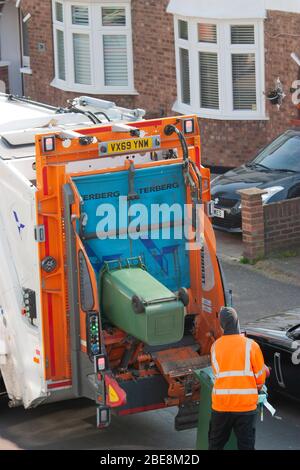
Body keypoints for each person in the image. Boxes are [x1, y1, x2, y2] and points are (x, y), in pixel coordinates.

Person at [208, 307, 267, 450]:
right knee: (246, 446)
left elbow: (217, 374)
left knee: (215, 445)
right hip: (245, 406)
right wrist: (257, 387)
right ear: (237, 322)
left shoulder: (215, 346)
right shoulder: (251, 345)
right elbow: (260, 376)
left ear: (222, 325)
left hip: (221, 405)